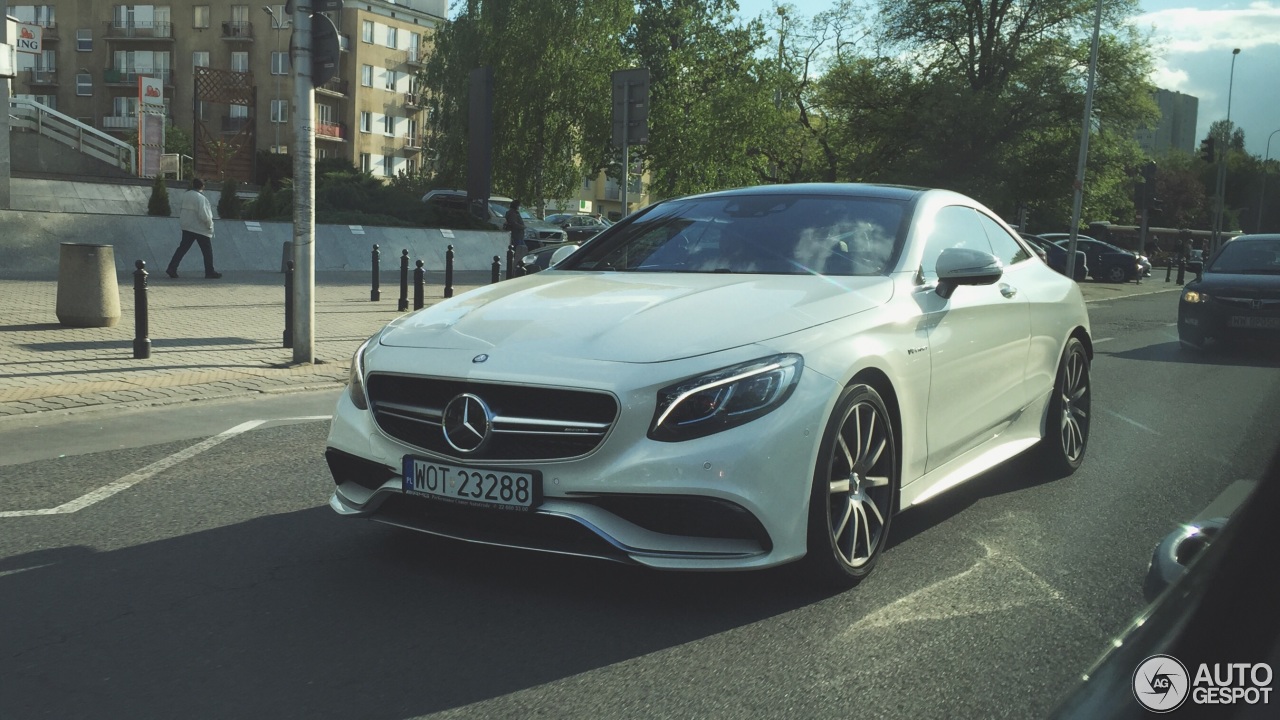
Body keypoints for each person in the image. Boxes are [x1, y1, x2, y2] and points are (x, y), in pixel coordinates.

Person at [167, 177, 221, 279]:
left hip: (187, 226)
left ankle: (172, 268)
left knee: (182, 249)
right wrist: (209, 225)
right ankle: (209, 272)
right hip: (200, 228)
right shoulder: (201, 198)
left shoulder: (186, 195)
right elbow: (204, 215)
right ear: (202, 186)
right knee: (207, 251)